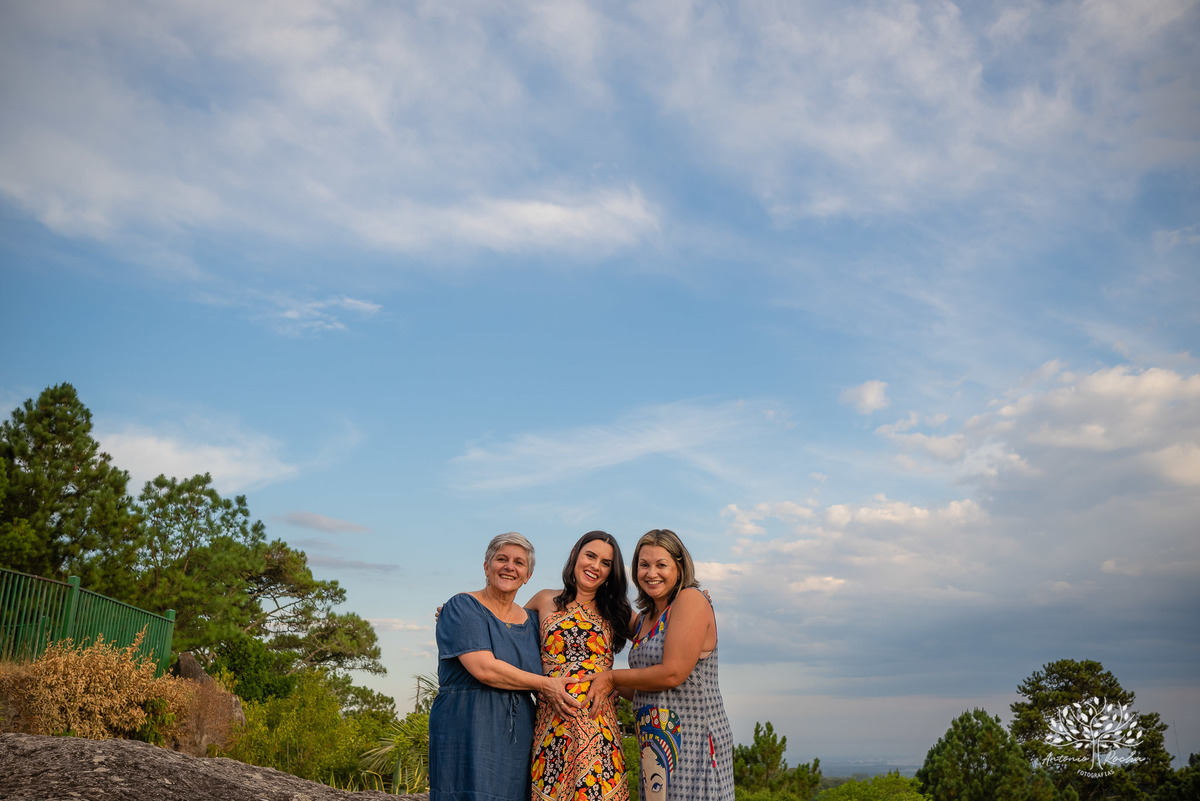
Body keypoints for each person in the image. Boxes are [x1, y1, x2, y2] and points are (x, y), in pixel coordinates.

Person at [429, 532, 582, 801]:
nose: (510, 567)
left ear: (528, 576)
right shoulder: (462, 606)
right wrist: (546, 685)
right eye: (502, 559)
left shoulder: (533, 622)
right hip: (466, 723)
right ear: (486, 566)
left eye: (519, 563)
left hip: (519, 731)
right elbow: (484, 669)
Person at [585, 529, 734, 801]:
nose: (651, 573)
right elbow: (644, 688)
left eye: (661, 564)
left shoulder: (689, 599)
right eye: (644, 565)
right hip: (655, 747)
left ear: (679, 566)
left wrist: (610, 678)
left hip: (693, 742)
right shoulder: (644, 619)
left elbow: (672, 674)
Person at [524, 531, 635, 801]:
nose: (596, 566)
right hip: (551, 729)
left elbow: (660, 631)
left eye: (606, 563)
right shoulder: (543, 600)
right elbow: (505, 628)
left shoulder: (617, 611)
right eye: (591, 556)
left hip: (599, 730)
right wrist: (466, 611)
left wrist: (690, 600)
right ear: (575, 554)